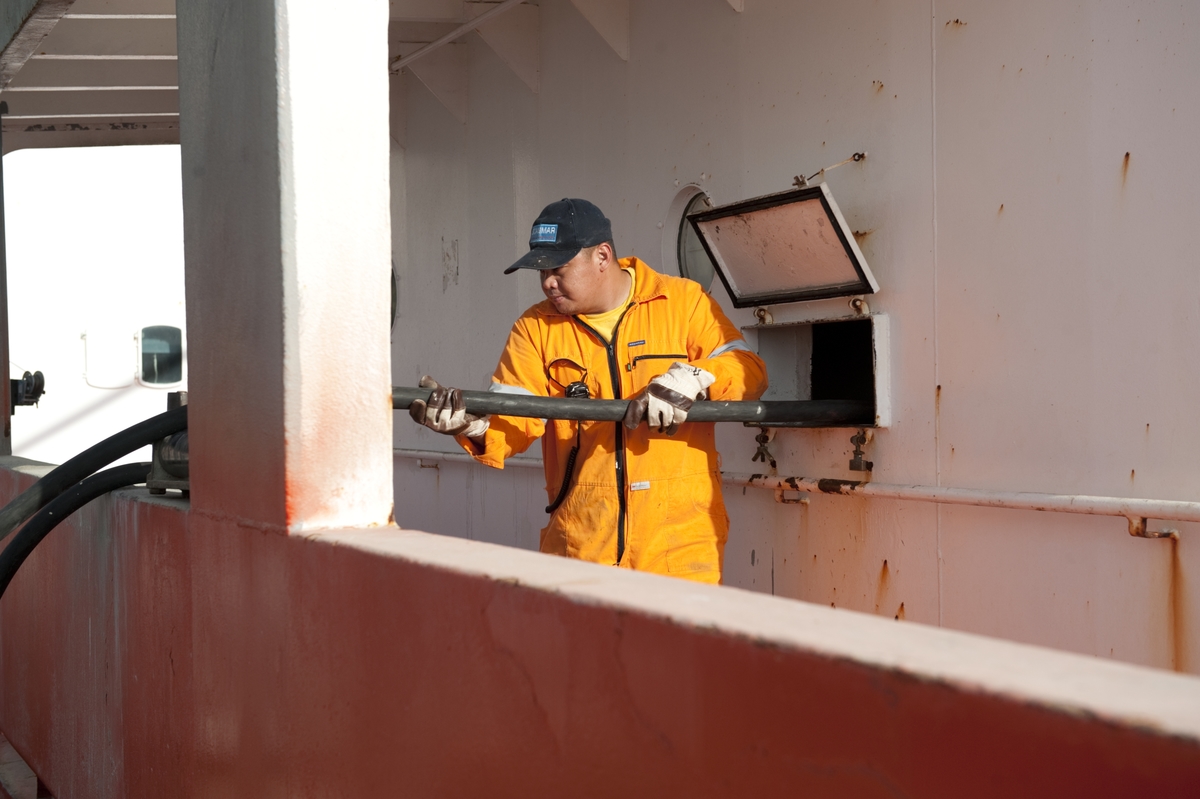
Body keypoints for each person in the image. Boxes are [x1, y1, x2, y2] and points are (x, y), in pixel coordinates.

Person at [410, 198, 767, 584]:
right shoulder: (535, 329)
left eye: (558, 267)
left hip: (680, 551)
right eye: (541, 270)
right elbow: (512, 420)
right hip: (582, 550)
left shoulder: (683, 303)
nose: (548, 281)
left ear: (602, 255)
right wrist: (470, 427)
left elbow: (750, 372)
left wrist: (695, 378)